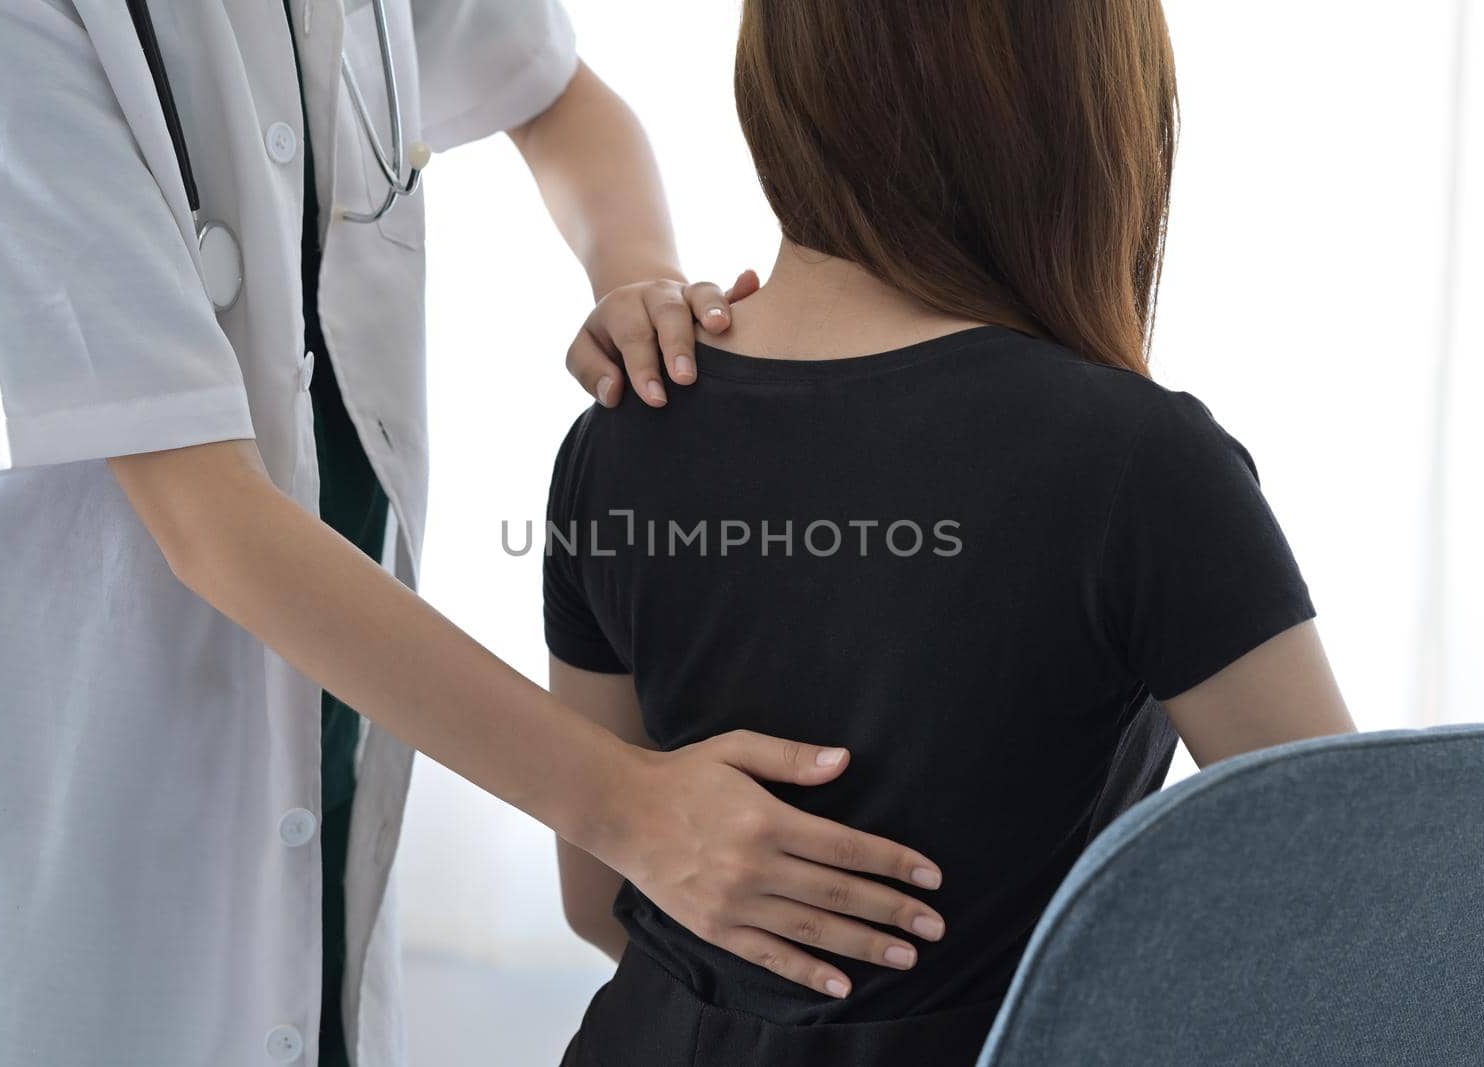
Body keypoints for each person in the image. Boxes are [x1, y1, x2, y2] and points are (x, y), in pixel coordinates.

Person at [0, 3, 949, 1066]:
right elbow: (207, 516)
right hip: (80, 800)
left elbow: (558, 95)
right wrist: (629, 807)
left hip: (335, 745)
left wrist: (637, 281)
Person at [543, 1, 1359, 1064]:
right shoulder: (1134, 461)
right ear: (1086, 105)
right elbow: (1348, 914)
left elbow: (598, 894)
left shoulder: (621, 430)